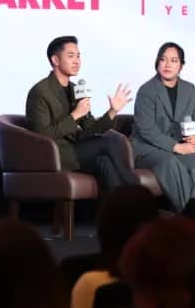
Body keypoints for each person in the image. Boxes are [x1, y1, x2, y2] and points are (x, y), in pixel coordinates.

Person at [25, 35, 137, 193]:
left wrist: (113, 111)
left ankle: (121, 206)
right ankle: (137, 194)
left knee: (105, 163)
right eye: (71, 56)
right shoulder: (40, 92)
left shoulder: (76, 89)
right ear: (55, 60)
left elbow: (91, 130)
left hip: (76, 150)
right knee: (111, 141)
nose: (77, 61)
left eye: (78, 56)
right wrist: (75, 115)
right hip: (55, 154)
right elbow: (41, 135)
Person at [131, 42, 195, 212]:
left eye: (173, 60)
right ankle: (190, 217)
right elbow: (146, 129)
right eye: (163, 60)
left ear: (181, 66)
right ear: (157, 62)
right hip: (149, 149)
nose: (167, 65)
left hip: (179, 149)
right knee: (170, 162)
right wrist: (176, 147)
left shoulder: (189, 89)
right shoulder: (147, 90)